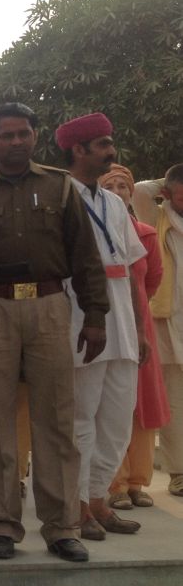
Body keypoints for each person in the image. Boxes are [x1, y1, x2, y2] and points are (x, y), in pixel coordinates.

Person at [0, 102, 108, 564]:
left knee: (56, 420)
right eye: (6, 135)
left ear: (36, 136)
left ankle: (62, 526)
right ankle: (3, 526)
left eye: (24, 133)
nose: (16, 141)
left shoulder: (59, 185)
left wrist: (95, 315)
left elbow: (86, 256)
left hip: (51, 306)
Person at [54, 114, 148, 541]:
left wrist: (140, 330)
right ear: (79, 150)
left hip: (123, 321)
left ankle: (99, 500)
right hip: (79, 316)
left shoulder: (114, 203)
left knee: (118, 418)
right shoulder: (58, 195)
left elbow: (130, 269)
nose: (112, 151)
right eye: (103, 144)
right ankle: (75, 506)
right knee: (81, 418)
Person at [100, 163, 170, 509]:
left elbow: (153, 278)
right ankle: (113, 482)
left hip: (140, 326)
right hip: (107, 323)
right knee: (112, 404)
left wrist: (138, 309)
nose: (118, 191)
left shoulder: (145, 233)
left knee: (143, 405)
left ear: (130, 193)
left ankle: (137, 483)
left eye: (122, 186)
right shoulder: (92, 231)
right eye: (109, 186)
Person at [148, 164, 183, 497]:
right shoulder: (157, 215)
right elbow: (139, 189)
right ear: (168, 194)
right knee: (174, 404)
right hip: (169, 320)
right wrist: (168, 181)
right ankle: (178, 472)